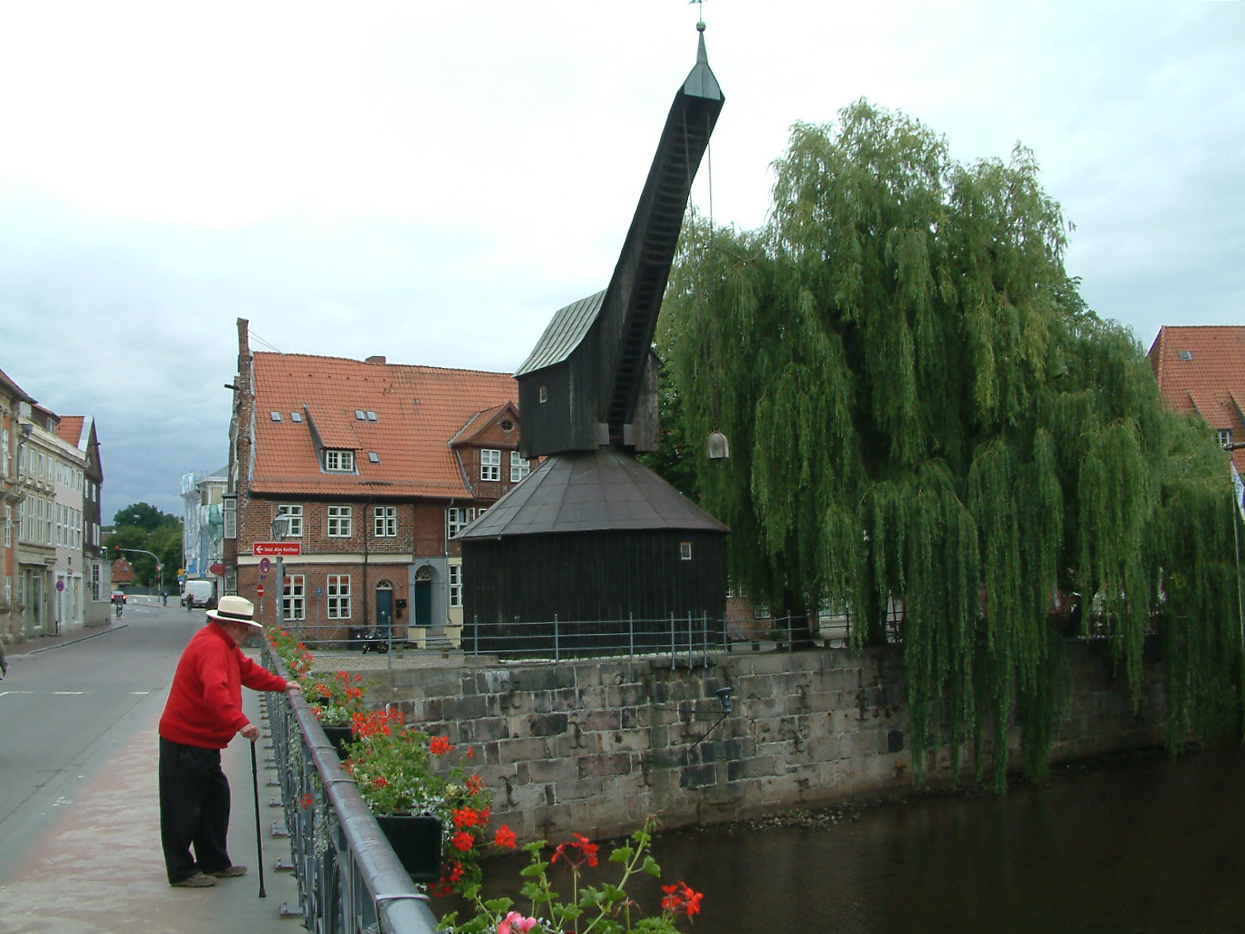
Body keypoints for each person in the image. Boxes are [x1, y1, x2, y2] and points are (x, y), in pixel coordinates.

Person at [158, 594, 301, 888]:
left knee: (214, 800)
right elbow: (215, 692)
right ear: (232, 625)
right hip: (186, 740)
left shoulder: (224, 644)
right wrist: (241, 722)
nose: (248, 633)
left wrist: (280, 684)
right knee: (183, 808)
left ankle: (214, 862)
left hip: (203, 742)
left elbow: (248, 672)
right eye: (246, 627)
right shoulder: (211, 646)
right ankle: (182, 870)